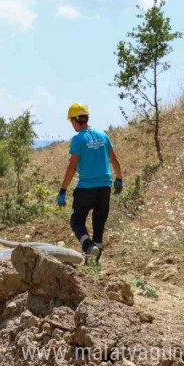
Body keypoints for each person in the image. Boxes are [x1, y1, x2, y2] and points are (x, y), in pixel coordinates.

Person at [57, 103, 123, 266]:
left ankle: (88, 245)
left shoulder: (78, 139)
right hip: (105, 187)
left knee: (76, 220)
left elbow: (72, 166)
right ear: (86, 118)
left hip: (86, 189)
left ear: (74, 120)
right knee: (99, 223)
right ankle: (93, 262)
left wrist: (63, 190)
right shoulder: (103, 135)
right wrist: (119, 179)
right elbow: (114, 159)